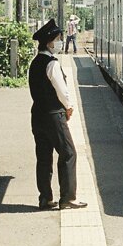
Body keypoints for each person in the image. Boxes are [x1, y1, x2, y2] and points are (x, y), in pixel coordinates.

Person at [29, 19, 87, 211]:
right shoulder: (52, 64)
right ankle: (68, 198)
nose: (60, 42)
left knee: (44, 156)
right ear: (49, 42)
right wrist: (69, 107)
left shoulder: (35, 62)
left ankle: (45, 198)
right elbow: (61, 90)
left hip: (37, 115)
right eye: (58, 39)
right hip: (54, 115)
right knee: (69, 153)